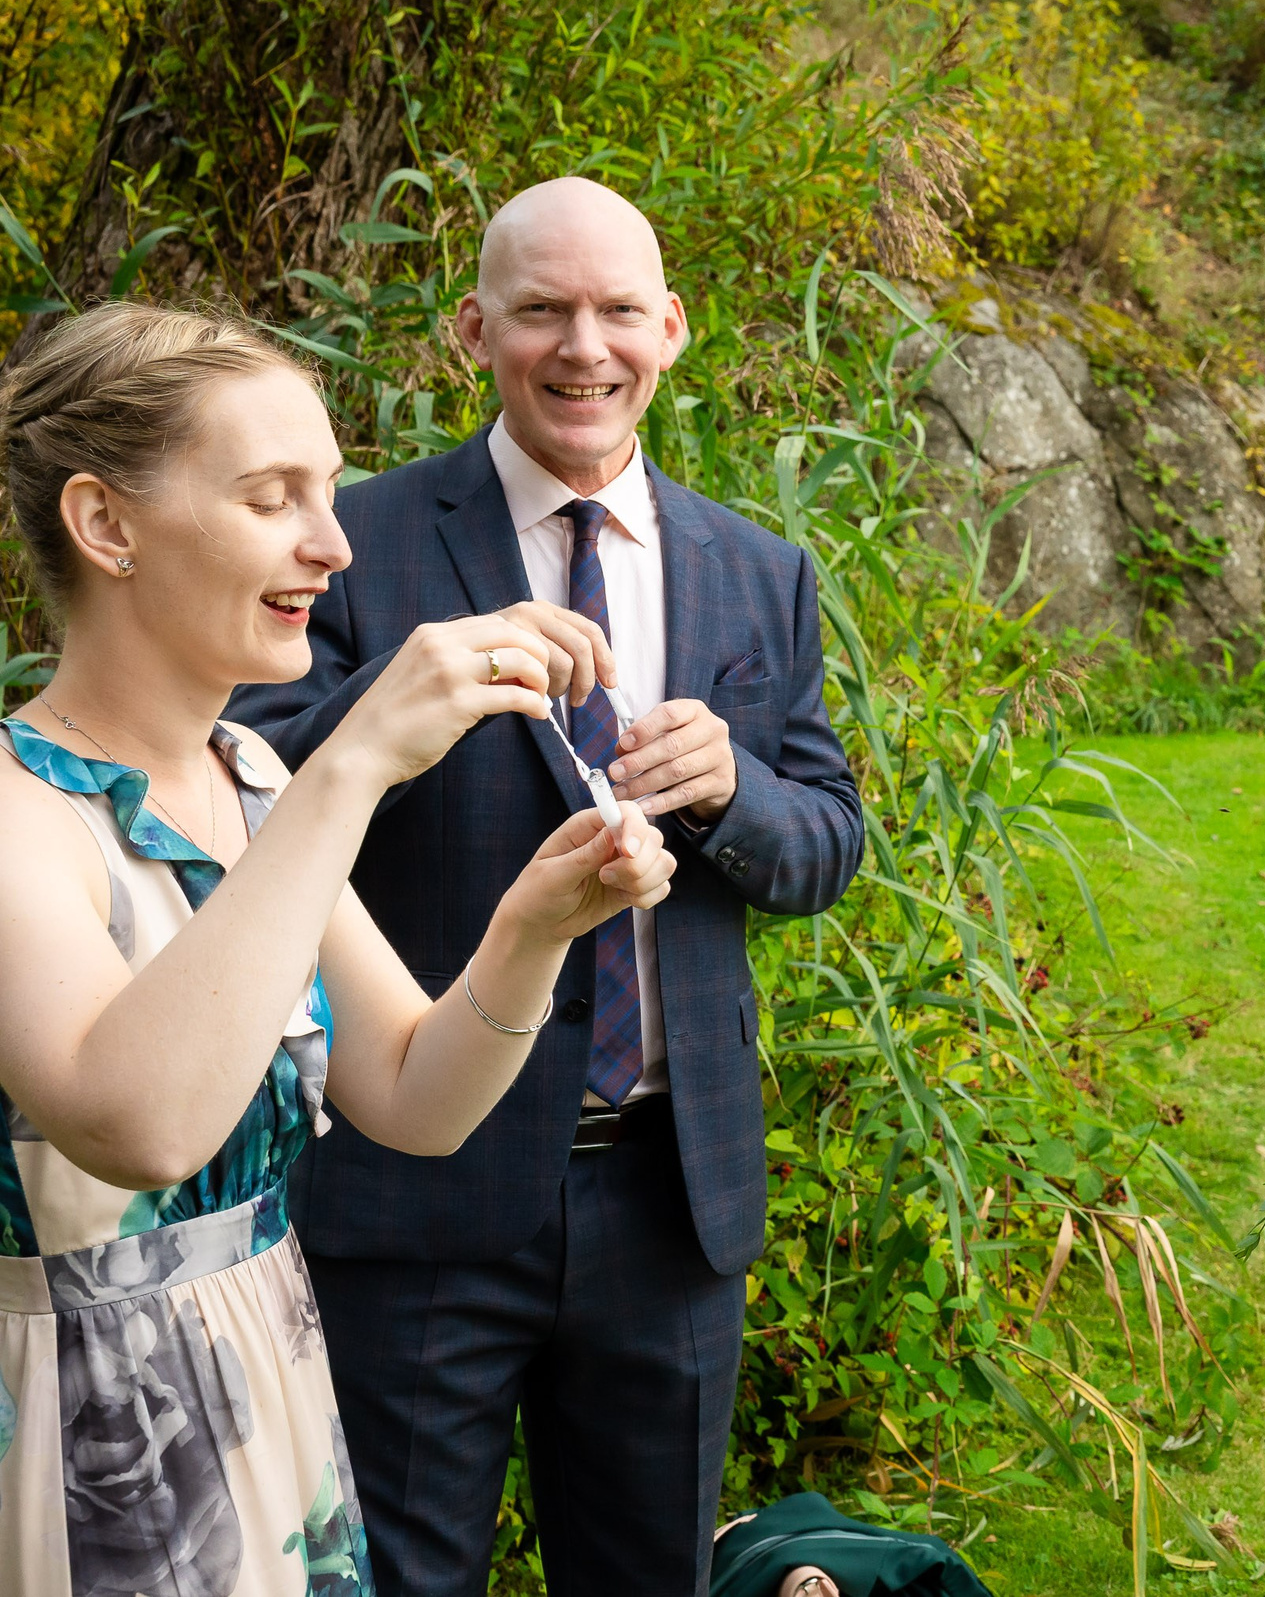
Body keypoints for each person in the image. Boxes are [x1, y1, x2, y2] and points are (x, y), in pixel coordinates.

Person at [228, 178, 865, 1595]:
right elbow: (236, 779)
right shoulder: (356, 543)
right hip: (414, 1187)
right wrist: (413, 698)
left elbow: (825, 837)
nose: (586, 347)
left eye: (619, 310)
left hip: (669, 1195)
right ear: (476, 327)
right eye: (542, 310)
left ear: (673, 328)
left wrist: (732, 792)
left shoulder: (758, 570)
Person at [0, 302, 676, 1592]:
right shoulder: (19, 815)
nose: (333, 543)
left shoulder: (249, 774)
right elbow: (138, 1127)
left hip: (278, 1397)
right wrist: (356, 758)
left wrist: (534, 926)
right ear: (106, 525)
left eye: (330, 490)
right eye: (272, 498)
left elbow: (416, 1098)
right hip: (88, 1450)